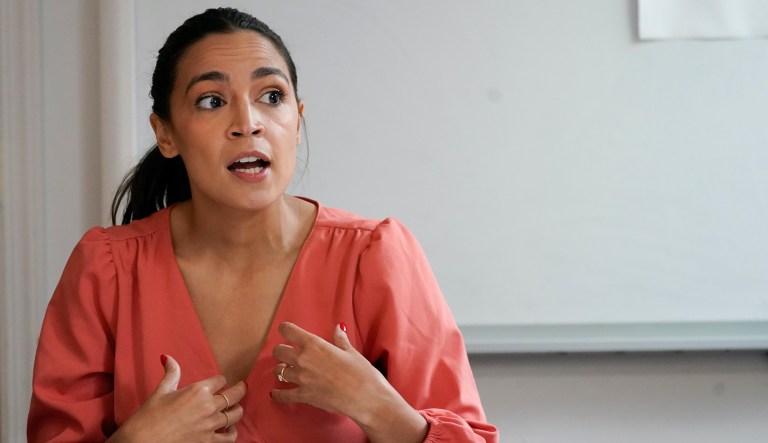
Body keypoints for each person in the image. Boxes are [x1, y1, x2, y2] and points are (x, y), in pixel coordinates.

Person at [27, 7, 499, 443]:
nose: (248, 123)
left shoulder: (375, 256)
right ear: (165, 133)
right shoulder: (104, 269)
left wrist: (378, 408)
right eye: (211, 101)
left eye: (271, 96)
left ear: (297, 119)